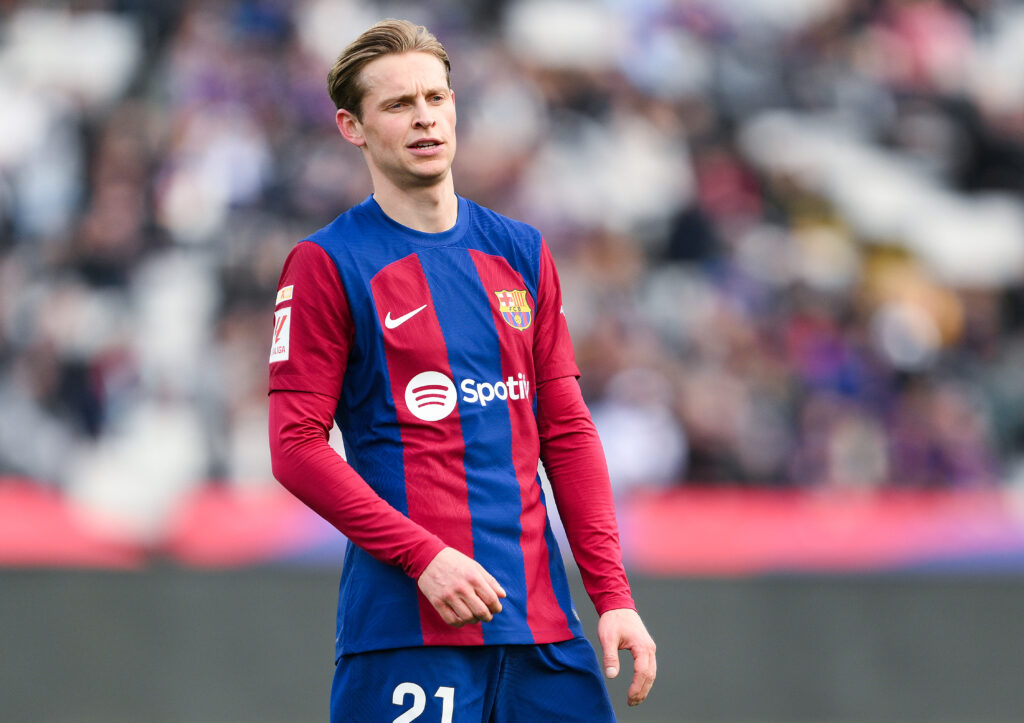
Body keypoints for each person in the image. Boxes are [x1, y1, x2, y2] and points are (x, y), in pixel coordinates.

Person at [268, 19, 656, 722]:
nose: (423, 117)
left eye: (436, 98)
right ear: (352, 127)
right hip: (408, 632)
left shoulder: (521, 252)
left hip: (544, 632)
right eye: (397, 104)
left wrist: (613, 595)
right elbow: (295, 448)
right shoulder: (327, 264)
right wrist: (424, 557)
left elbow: (565, 430)